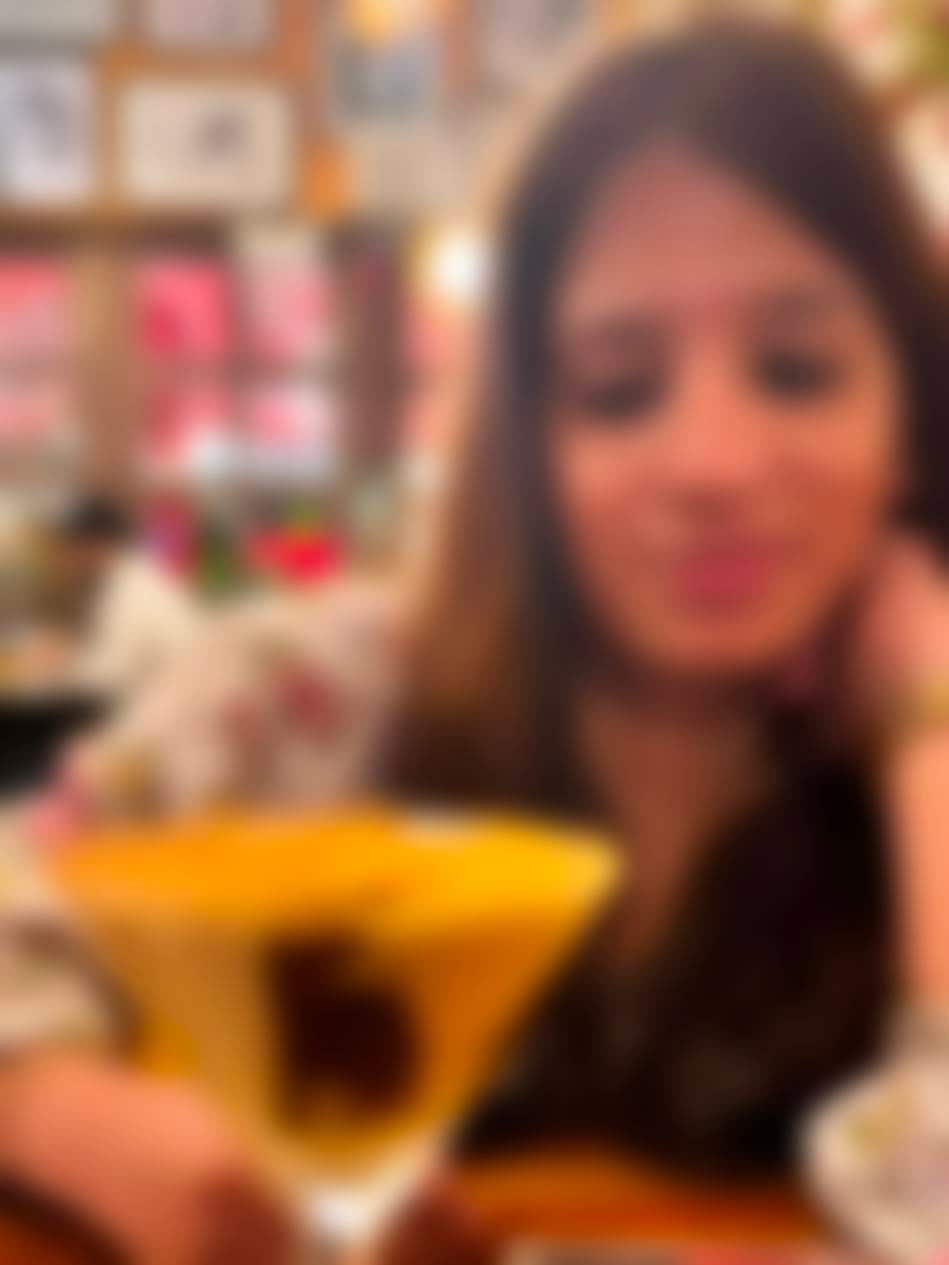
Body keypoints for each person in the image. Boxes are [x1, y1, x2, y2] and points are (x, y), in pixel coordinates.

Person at [7, 18, 949, 1263]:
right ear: (525, 442)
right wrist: (67, 1114)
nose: (712, 464)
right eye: (618, 390)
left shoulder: (916, 775)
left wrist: (927, 723)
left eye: (795, 370)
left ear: (911, 419)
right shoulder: (308, 699)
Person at [42, 495, 199, 698]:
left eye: (68, 551)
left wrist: (58, 668)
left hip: (171, 701)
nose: (66, 563)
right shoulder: (142, 573)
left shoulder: (127, 590)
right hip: (172, 692)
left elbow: (107, 677)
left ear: (91, 547)